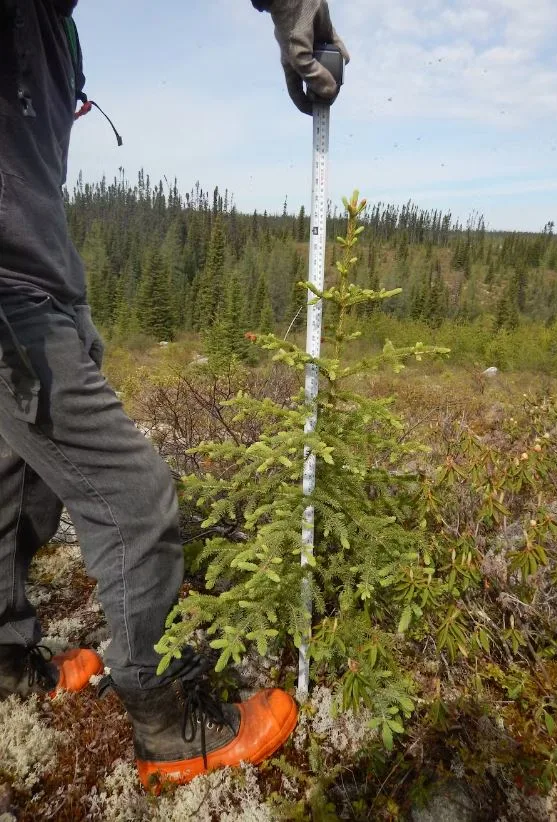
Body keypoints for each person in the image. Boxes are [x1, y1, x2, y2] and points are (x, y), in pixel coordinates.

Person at [0, 0, 348, 789]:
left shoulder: (52, 27)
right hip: (9, 300)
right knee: (133, 498)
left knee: (19, 484)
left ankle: (8, 662)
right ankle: (166, 727)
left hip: (37, 282)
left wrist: (70, 300)